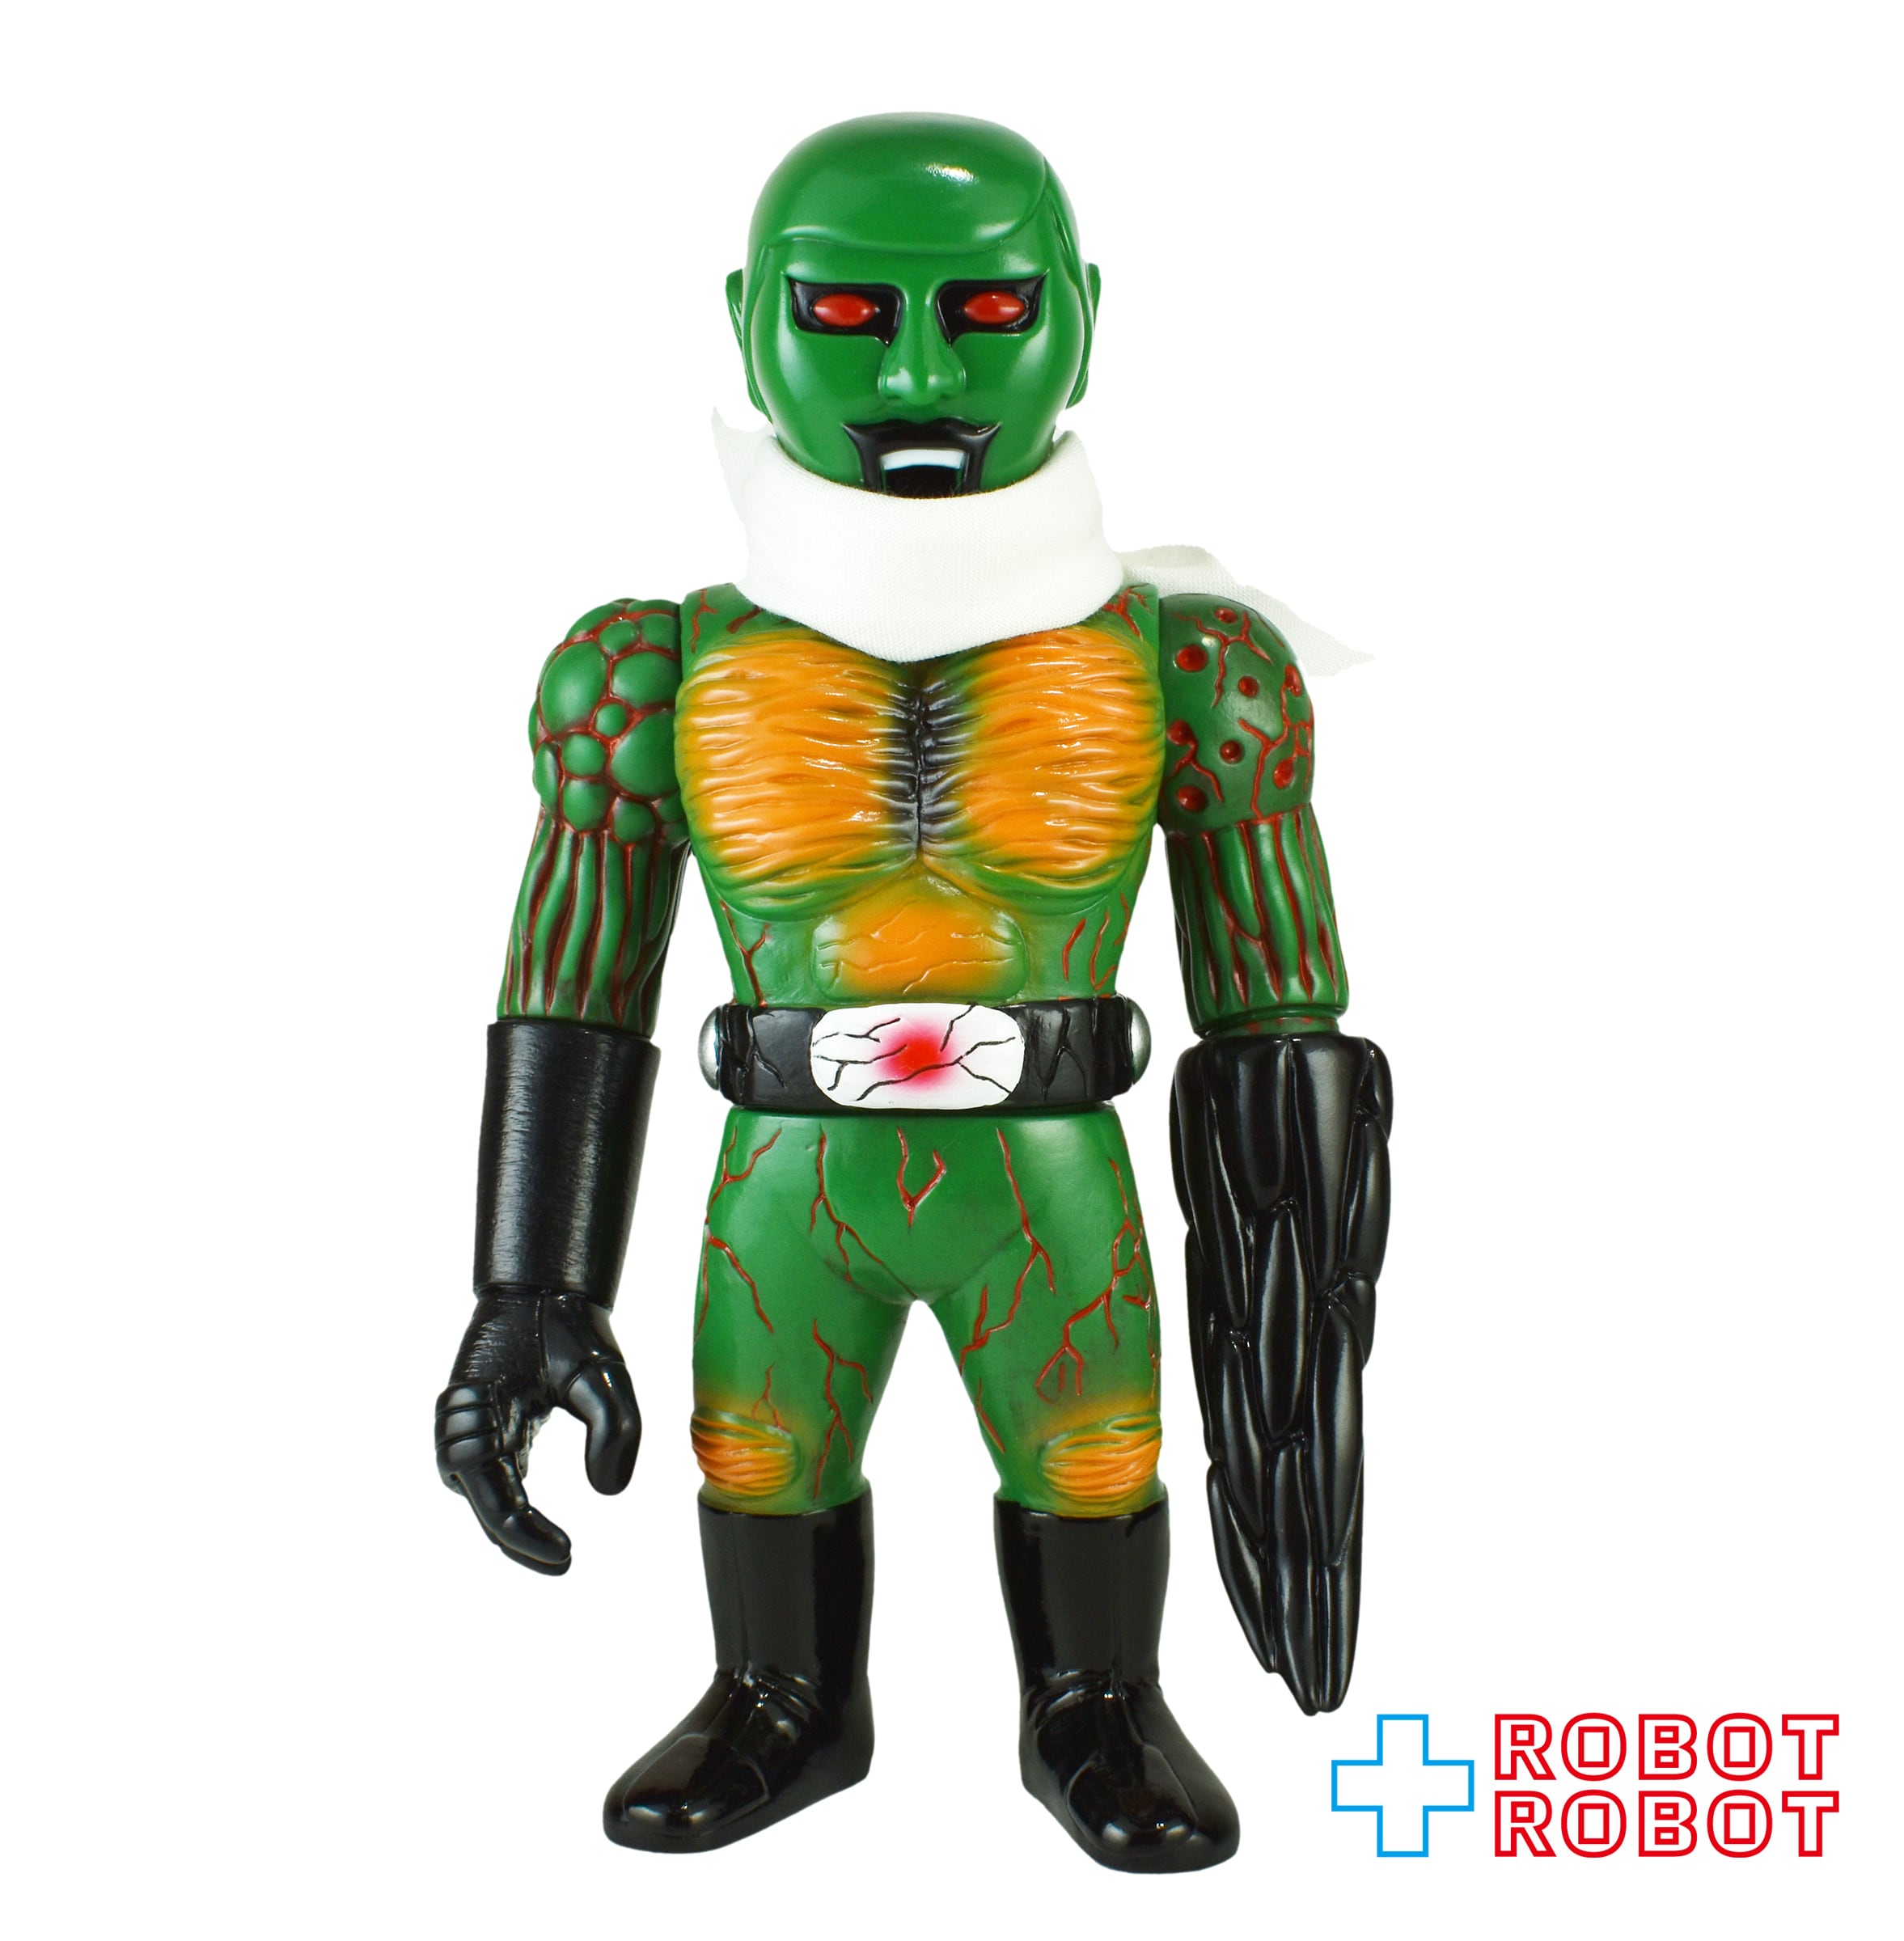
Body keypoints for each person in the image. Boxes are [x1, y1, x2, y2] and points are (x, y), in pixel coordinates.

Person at [435, 112, 1392, 1874]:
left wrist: (1297, 1323)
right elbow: (575, 985)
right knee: (759, 1448)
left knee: (1091, 1452)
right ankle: (783, 1697)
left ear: (1082, 318)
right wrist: (530, 1284)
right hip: (793, 1174)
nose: (926, 376)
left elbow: (1279, 1013)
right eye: (853, 317)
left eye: (989, 308)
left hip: (1047, 1173)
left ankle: (1096, 1702)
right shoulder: (645, 672)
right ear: (750, 326)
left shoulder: (1192, 667)